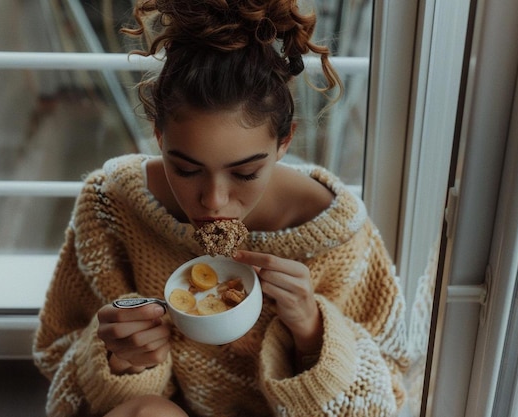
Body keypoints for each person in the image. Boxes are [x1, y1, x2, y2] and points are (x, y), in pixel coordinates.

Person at [33, 0, 410, 416]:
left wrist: (312, 329)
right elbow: (59, 355)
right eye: (186, 169)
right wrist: (121, 360)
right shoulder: (112, 207)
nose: (213, 200)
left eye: (245, 173)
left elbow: (386, 389)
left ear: (284, 143)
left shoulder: (335, 235)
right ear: (158, 136)